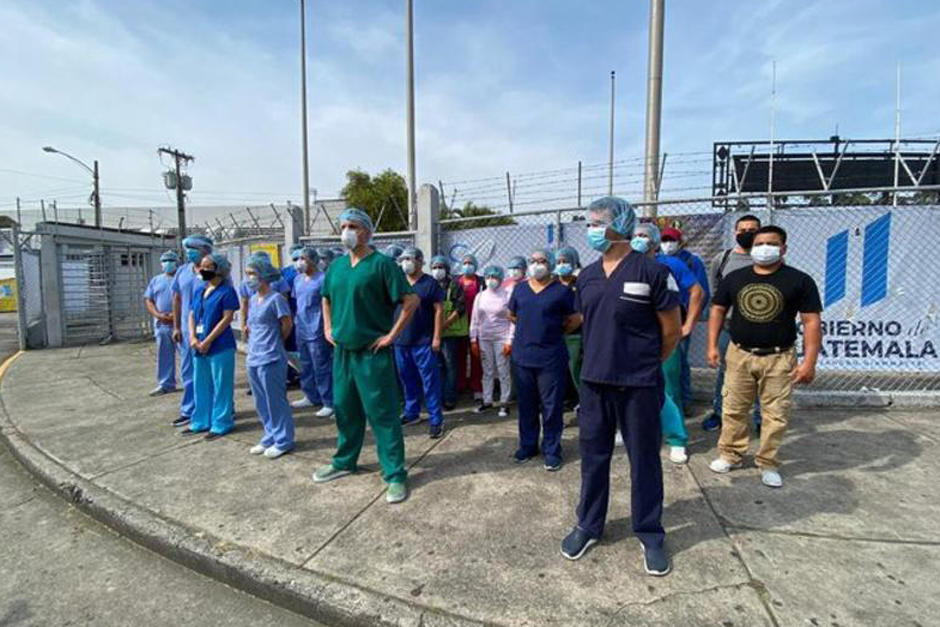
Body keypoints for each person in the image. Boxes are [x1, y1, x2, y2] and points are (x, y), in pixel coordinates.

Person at [560, 196, 680, 577]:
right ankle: (588, 524)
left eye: (599, 221)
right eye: (590, 222)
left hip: (639, 384)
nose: (592, 228)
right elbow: (588, 322)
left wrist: (642, 364)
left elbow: (672, 332)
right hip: (594, 383)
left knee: (644, 459)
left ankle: (650, 532)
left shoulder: (653, 272)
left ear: (622, 224)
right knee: (593, 457)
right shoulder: (588, 276)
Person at [312, 208, 419, 505]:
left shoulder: (383, 265)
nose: (347, 230)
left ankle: (395, 474)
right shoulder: (337, 267)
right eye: (344, 225)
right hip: (343, 352)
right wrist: (328, 325)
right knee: (346, 410)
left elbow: (411, 301)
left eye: (354, 226)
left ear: (367, 232)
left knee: (383, 415)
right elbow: (326, 297)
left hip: (373, 353)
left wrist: (391, 335)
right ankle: (345, 461)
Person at [707, 225, 822, 488]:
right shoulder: (735, 278)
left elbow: (811, 321)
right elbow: (717, 309)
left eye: (771, 243)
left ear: (783, 248)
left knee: (775, 414)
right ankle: (730, 454)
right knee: (733, 408)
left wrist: (809, 362)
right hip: (739, 354)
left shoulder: (799, 280)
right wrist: (712, 346)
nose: (764, 248)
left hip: (779, 358)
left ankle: (768, 462)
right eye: (759, 244)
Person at [632, 222, 705, 464]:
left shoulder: (670, 265)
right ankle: (630, 430)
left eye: (644, 236)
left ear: (654, 241)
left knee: (668, 389)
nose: (639, 239)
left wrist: (687, 326)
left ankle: (676, 440)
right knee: (629, 389)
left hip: (663, 336)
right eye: (635, 235)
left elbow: (697, 292)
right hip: (633, 338)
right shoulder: (626, 264)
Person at [508, 248, 579, 471]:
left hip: (551, 358)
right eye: (533, 261)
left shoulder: (562, 291)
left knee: (551, 406)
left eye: (542, 261)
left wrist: (553, 331)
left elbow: (574, 318)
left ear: (550, 265)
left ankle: (552, 449)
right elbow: (512, 315)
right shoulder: (520, 289)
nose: (537, 264)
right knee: (527, 405)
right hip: (523, 357)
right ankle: (528, 446)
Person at [702, 214, 764, 433]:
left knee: (761, 374)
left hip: (761, 329)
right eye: (742, 229)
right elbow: (717, 297)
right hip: (730, 327)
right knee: (725, 373)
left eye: (752, 229)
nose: (747, 233)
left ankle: (760, 418)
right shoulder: (724, 259)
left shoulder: (767, 259)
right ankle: (719, 413)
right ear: (735, 232)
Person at [182, 253, 239, 440]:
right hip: (197, 344)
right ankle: (200, 421)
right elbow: (192, 314)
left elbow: (227, 318)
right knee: (201, 384)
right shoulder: (200, 290)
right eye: (201, 266)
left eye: (207, 266)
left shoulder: (226, 291)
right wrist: (192, 337)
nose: (202, 269)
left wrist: (208, 341)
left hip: (220, 345)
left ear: (218, 270)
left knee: (221, 385)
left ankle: (221, 423)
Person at [244, 256, 295, 458]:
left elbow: (287, 325)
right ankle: (269, 435)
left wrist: (275, 342)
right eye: (247, 274)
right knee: (260, 401)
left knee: (276, 401)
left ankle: (284, 439)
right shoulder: (254, 300)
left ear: (264, 276)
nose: (248, 278)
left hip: (271, 356)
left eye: (252, 274)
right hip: (253, 356)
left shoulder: (276, 299)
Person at [395, 247, 446, 438]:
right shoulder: (399, 282)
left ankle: (436, 419)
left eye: (409, 258)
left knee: (430, 381)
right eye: (403, 259)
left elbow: (439, 310)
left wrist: (437, 337)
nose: (406, 262)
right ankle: (412, 412)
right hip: (401, 341)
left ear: (419, 261)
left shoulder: (430, 283)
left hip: (423, 341)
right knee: (407, 379)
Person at [660, 226, 710, 415]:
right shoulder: (658, 260)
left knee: (679, 361)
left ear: (681, 242)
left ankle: (684, 401)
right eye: (664, 240)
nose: (667, 244)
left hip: (680, 318)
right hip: (661, 318)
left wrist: (690, 321)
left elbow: (701, 292)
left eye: (671, 240)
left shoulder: (690, 261)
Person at [171, 234, 213, 427]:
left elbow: (217, 295)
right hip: (188, 331)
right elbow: (177, 299)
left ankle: (219, 408)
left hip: (208, 330)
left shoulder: (209, 271)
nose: (189, 252)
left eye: (193, 249)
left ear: (204, 250)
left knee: (212, 372)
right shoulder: (183, 271)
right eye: (187, 249)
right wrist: (177, 326)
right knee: (188, 372)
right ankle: (189, 410)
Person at [291, 246, 334, 417]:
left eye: (303, 259)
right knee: (306, 364)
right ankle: (310, 395)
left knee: (321, 366)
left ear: (313, 260)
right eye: (298, 259)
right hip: (301, 327)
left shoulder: (323, 279)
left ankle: (328, 401)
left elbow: (329, 304)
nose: (299, 262)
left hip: (317, 328)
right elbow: (298, 302)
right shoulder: (298, 280)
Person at [470, 265, 513, 418]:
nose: (491, 280)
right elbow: (475, 319)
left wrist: (510, 341)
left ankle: (504, 402)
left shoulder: (507, 295)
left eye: (494, 277)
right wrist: (473, 339)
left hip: (501, 338)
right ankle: (487, 400)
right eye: (488, 277)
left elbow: (512, 321)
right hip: (484, 338)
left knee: (503, 370)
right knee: (487, 370)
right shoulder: (480, 296)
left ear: (501, 278)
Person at [431, 255, 467, 411]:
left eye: (441, 267)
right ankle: (438, 397)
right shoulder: (429, 284)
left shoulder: (454, 285)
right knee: (437, 366)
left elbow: (460, 308)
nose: (437, 270)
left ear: (447, 269)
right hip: (432, 334)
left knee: (450, 365)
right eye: (435, 267)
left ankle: (450, 398)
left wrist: (443, 325)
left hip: (449, 333)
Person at [145, 250, 180, 396]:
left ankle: (191, 383)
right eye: (165, 261)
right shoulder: (156, 280)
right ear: (161, 264)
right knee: (164, 355)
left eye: (171, 260)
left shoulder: (181, 278)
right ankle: (166, 384)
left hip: (180, 324)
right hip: (162, 325)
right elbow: (149, 300)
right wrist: (158, 315)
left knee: (186, 357)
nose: (168, 264)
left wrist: (176, 316)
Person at [555, 246, 583, 410]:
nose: (561, 265)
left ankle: (583, 400)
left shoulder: (580, 283)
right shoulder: (552, 283)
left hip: (576, 335)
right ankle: (565, 400)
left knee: (575, 369)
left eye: (565, 261)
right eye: (558, 262)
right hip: (556, 334)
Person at [456, 254, 485, 401]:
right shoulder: (456, 282)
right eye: (465, 263)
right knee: (459, 356)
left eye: (470, 263)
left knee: (476, 357)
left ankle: (477, 387)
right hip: (459, 324)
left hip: (477, 324)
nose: (467, 265)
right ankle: (460, 385)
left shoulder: (481, 282)